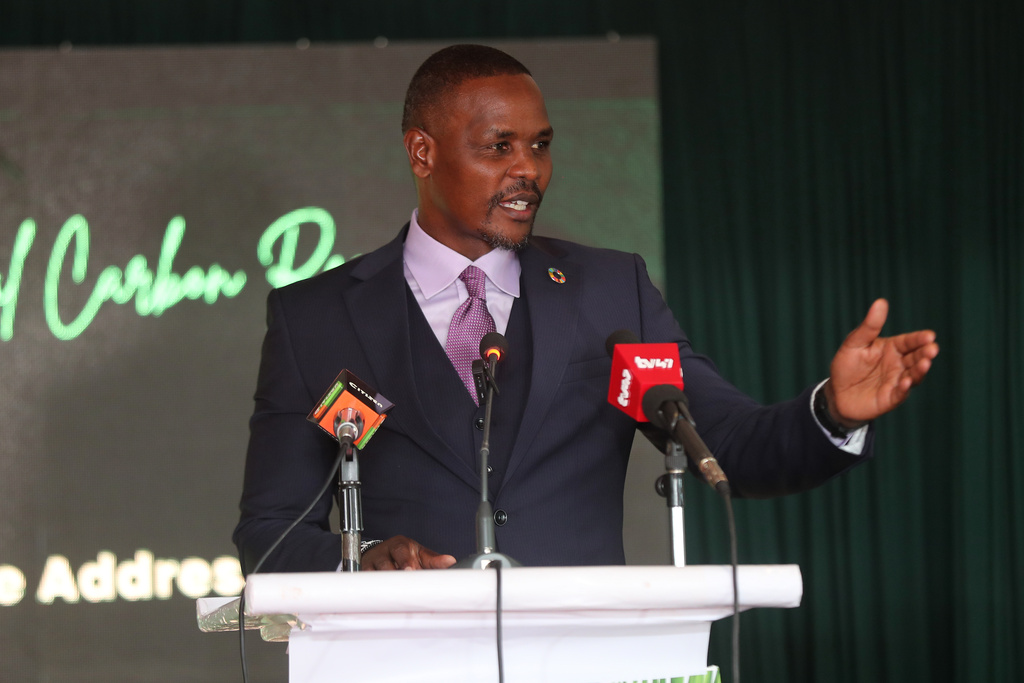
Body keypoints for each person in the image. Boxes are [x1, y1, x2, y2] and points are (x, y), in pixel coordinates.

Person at [233, 45, 938, 573]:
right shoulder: (316, 316)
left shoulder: (611, 290)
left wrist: (832, 413)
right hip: (404, 659)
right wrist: (360, 564)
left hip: (584, 655)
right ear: (422, 151)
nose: (528, 171)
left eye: (540, 146)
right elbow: (271, 529)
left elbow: (723, 444)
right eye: (498, 147)